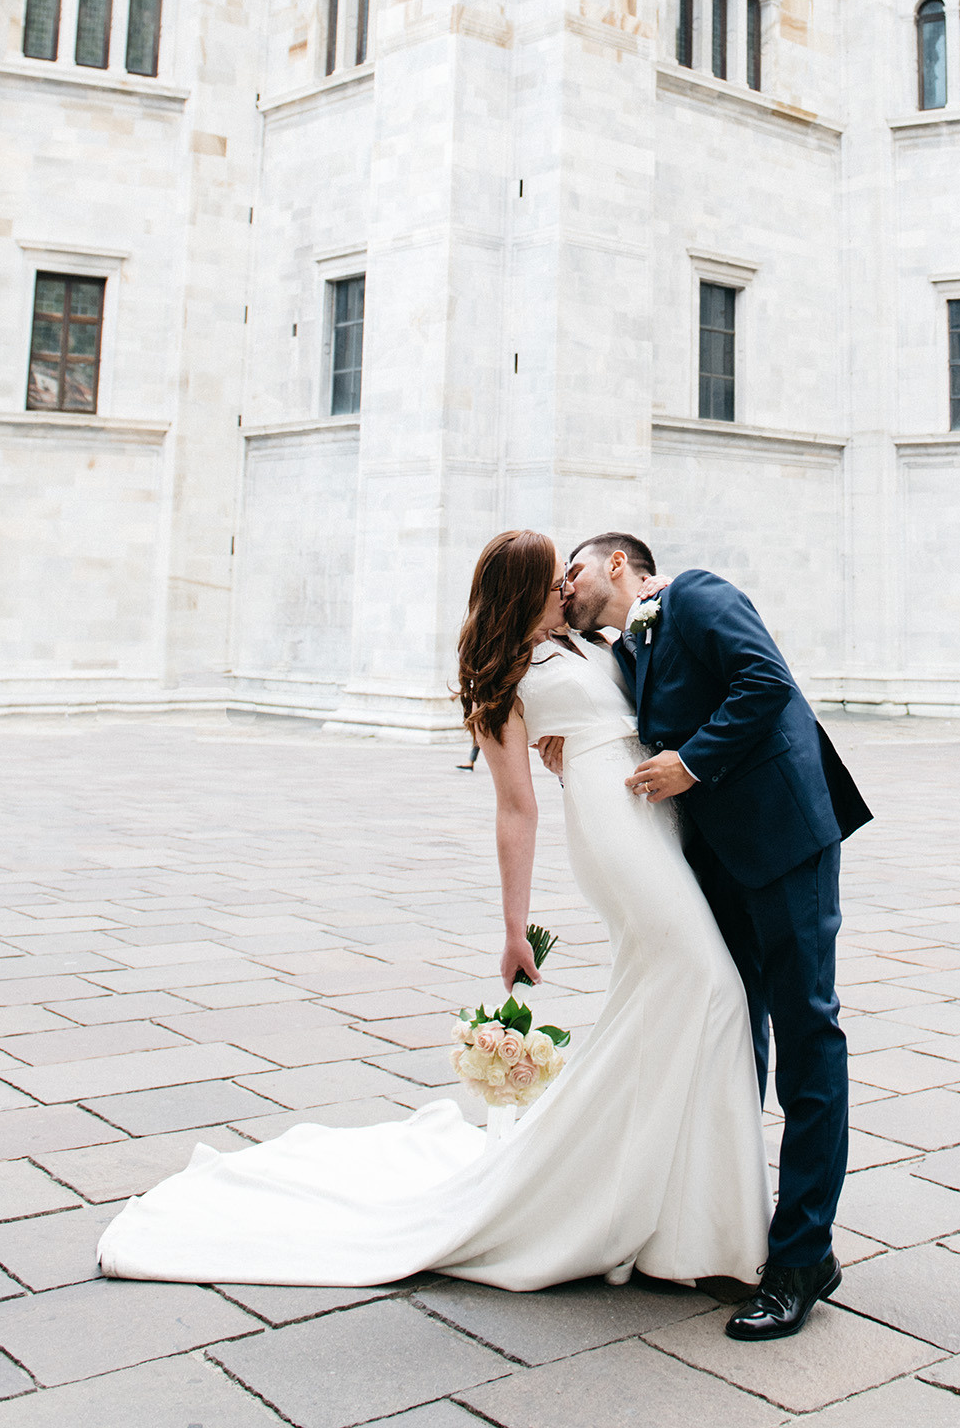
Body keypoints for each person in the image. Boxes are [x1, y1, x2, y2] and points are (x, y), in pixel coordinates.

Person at [95, 529, 769, 1290]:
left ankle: (673, 1210)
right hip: (615, 837)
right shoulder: (503, 681)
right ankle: (682, 1221)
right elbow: (515, 810)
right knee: (710, 985)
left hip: (655, 818)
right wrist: (515, 928)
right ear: (521, 591)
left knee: (677, 996)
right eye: (552, 579)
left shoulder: (592, 644)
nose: (564, 589)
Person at [550, 534, 871, 1341]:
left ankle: (802, 1257)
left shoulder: (695, 594)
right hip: (714, 858)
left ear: (619, 564)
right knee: (734, 1031)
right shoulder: (629, 649)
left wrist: (690, 763)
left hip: (782, 836)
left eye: (576, 570)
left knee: (806, 1032)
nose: (566, 586)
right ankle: (729, 1227)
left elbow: (766, 684)